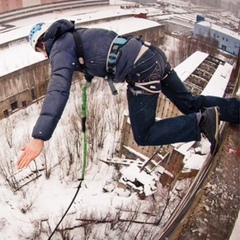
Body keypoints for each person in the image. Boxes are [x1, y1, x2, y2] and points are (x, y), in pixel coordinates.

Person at [18, 19, 240, 169]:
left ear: (42, 44)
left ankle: (202, 123)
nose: (42, 55)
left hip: (141, 69)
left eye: (39, 50)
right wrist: (87, 72)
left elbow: (57, 89)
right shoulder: (74, 34)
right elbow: (99, 52)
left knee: (144, 134)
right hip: (153, 55)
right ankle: (235, 110)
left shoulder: (58, 49)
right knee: (189, 103)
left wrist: (39, 136)